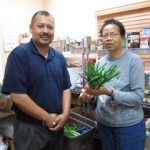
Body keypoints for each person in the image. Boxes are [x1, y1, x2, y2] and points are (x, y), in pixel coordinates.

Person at [1, 10, 71, 150]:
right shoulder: (19, 56)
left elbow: (66, 88)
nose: (46, 31)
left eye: (50, 27)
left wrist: (65, 114)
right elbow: (17, 95)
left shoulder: (59, 57)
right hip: (29, 129)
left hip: (57, 127)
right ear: (31, 28)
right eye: (40, 26)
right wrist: (46, 117)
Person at [79, 18, 146, 150]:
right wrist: (89, 94)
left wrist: (109, 92)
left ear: (122, 37)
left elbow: (138, 98)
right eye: (105, 35)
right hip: (104, 124)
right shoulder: (99, 63)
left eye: (113, 34)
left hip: (128, 126)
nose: (108, 38)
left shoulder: (134, 61)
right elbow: (97, 92)